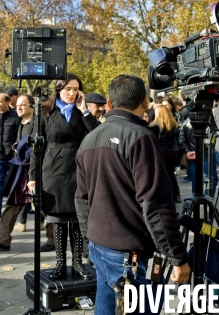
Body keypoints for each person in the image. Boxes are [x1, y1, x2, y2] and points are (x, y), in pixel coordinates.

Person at [75, 75, 190, 314]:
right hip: (128, 251)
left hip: (101, 244)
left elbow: (81, 198)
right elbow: (155, 204)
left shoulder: (89, 139)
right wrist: (177, 256)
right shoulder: (141, 137)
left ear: (108, 104)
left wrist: (90, 237)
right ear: (145, 102)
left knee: (105, 305)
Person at [26, 73, 99, 280]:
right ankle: (59, 263)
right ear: (58, 89)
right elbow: (36, 147)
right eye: (68, 89)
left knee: (77, 220)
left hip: (78, 171)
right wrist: (33, 176)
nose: (72, 93)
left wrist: (84, 110)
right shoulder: (45, 111)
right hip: (52, 172)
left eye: (76, 89)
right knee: (57, 221)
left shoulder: (81, 112)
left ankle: (78, 263)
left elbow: (96, 134)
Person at [0, 94, 35, 250]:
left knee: (46, 207)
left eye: (22, 105)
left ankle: (53, 240)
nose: (18, 107)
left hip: (35, 171)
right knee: (12, 203)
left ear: (31, 106)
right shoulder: (20, 122)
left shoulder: (38, 123)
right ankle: (3, 239)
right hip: (20, 168)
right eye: (17, 105)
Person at [148, 104, 182, 203]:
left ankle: (165, 195)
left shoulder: (155, 126)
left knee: (161, 174)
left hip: (162, 152)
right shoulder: (173, 124)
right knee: (171, 174)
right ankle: (176, 194)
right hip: (173, 152)